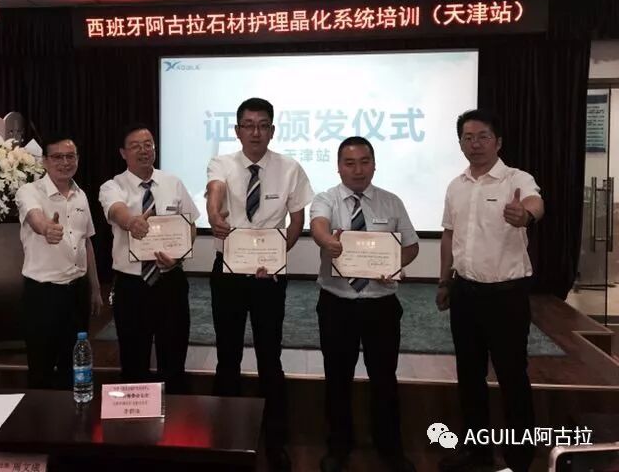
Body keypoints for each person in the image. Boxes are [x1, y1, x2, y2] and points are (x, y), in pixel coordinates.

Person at [206, 97, 314, 472]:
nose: (256, 132)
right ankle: (226, 437)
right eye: (248, 125)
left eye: (263, 125)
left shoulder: (290, 168)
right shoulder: (222, 163)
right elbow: (215, 192)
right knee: (227, 356)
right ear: (237, 131)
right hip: (229, 272)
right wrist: (214, 215)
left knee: (270, 357)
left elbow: (297, 220)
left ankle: (275, 440)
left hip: (270, 275)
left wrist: (279, 253)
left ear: (272, 130)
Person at [437, 109, 544, 472]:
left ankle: (519, 458)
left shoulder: (516, 179)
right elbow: (449, 235)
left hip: (506, 296)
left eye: (483, 136)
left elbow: (535, 203)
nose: (475, 144)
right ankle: (476, 451)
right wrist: (444, 281)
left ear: (498, 142)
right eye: (467, 137)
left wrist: (525, 215)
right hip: (465, 293)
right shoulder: (456, 185)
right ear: (460, 143)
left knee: (512, 376)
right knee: (469, 377)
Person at [310, 136, 419, 472]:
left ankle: (390, 448)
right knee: (337, 377)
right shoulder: (326, 199)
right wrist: (327, 241)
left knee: (384, 378)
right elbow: (318, 226)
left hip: (380, 304)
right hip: (337, 303)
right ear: (338, 167)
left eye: (364, 162)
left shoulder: (391, 202)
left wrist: (395, 264)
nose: (358, 170)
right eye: (350, 163)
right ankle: (338, 447)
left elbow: (411, 246)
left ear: (374, 164)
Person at [99, 124, 199, 394]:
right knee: (134, 360)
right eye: (135, 146)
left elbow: (190, 224)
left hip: (170, 281)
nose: (143, 150)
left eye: (148, 144)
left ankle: (175, 413)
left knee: (174, 357)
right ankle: (136, 417)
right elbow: (117, 210)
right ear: (123, 153)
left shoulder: (172, 182)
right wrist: (132, 222)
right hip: (132, 286)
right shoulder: (112, 186)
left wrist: (178, 255)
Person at [15, 136, 103, 390]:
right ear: (44, 161)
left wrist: (95, 288)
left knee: (74, 365)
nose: (65, 162)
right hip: (43, 295)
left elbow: (86, 242)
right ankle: (40, 415)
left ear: (77, 159)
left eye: (70, 156)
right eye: (57, 157)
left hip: (77, 292)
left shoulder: (80, 195)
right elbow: (35, 218)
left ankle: (73, 413)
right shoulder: (29, 191)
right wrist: (47, 228)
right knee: (41, 367)